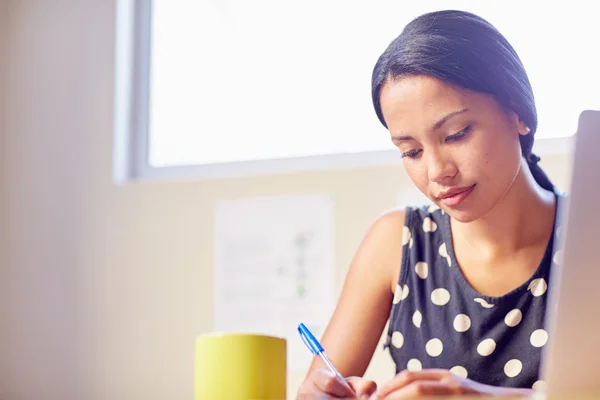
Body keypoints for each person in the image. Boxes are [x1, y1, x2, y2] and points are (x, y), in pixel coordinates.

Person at [297, 9, 561, 399]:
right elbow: (317, 391)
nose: (437, 171)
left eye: (456, 134)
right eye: (412, 151)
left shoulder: (590, 233)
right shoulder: (396, 242)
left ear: (517, 112)